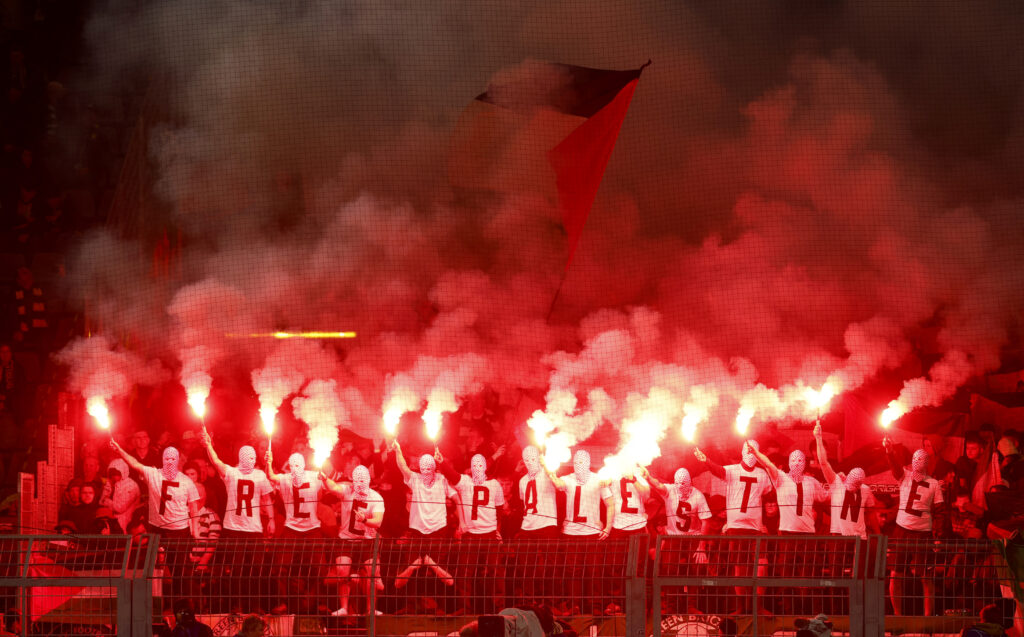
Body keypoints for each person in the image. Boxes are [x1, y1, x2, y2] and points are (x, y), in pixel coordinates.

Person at [111, 440, 199, 607]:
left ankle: (181, 607)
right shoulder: (154, 473)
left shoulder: (187, 481)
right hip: (156, 529)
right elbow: (135, 463)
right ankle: (148, 605)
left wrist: (195, 531)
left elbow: (193, 507)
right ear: (163, 460)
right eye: (167, 458)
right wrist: (120, 449)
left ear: (179, 460)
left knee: (179, 573)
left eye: (173, 459)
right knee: (150, 569)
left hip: (179, 531)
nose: (170, 461)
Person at [694, 441, 772, 616]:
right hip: (736, 528)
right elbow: (718, 470)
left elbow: (769, 495)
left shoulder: (763, 474)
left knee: (761, 567)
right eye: (748, 450)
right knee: (740, 570)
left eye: (754, 451)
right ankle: (743, 607)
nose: (751, 454)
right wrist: (705, 459)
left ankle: (758, 607)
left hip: (756, 529)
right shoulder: (732, 470)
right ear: (742, 452)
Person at [546, 450, 614, 615]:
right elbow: (558, 484)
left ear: (589, 463)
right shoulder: (568, 479)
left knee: (594, 571)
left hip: (592, 533)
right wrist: (549, 470)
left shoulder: (599, 480)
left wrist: (608, 527)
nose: (578, 466)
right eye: (576, 463)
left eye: (582, 462)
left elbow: (610, 503)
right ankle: (575, 605)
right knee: (573, 572)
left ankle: (596, 606)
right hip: (572, 533)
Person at [884, 436, 945, 616]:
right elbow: (894, 466)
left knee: (926, 577)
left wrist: (938, 537)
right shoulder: (904, 476)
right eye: (915, 459)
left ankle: (927, 618)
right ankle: (898, 617)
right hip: (901, 530)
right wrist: (889, 450)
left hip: (922, 533)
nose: (918, 462)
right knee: (896, 574)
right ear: (912, 461)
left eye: (922, 459)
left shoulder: (934, 484)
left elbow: (940, 512)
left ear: (927, 463)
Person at [443, 453, 507, 613]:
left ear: (485, 467)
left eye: (480, 465)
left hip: (490, 534)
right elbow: (451, 473)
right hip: (470, 534)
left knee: (495, 573)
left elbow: (499, 511)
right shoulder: (465, 482)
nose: (477, 468)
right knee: (465, 572)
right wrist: (441, 461)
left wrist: (498, 531)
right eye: (474, 465)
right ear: (471, 469)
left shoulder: (495, 485)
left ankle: (499, 609)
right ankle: (464, 608)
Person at [265, 449, 324, 614]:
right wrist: (268, 463)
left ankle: (316, 603)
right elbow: (271, 476)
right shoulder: (285, 479)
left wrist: (325, 471)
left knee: (319, 567)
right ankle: (283, 602)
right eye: (292, 465)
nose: (295, 468)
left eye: (298, 464)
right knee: (281, 566)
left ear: (304, 465)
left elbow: (330, 483)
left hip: (312, 529)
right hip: (291, 528)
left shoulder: (314, 476)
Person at [321, 464, 385, 617]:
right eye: (357, 480)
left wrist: (365, 520)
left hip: (367, 540)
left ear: (369, 480)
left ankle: (371, 609)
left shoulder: (376, 497)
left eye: (363, 480)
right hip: (346, 540)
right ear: (353, 481)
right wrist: (324, 478)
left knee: (372, 573)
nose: (360, 483)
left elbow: (377, 522)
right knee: (342, 571)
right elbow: (334, 488)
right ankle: (344, 607)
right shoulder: (347, 491)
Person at [813, 425, 878, 540]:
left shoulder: (865, 490)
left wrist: (878, 533)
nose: (851, 489)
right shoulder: (838, 483)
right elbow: (823, 462)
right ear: (847, 477)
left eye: (853, 487)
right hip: (839, 536)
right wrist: (818, 438)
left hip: (859, 537)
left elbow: (871, 513)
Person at [99, 458, 141, 534]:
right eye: (112, 474)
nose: (114, 477)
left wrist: (106, 500)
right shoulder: (112, 484)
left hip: (127, 524)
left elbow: (120, 507)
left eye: (117, 473)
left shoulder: (130, 485)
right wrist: (106, 491)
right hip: (114, 525)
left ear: (123, 472)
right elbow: (101, 502)